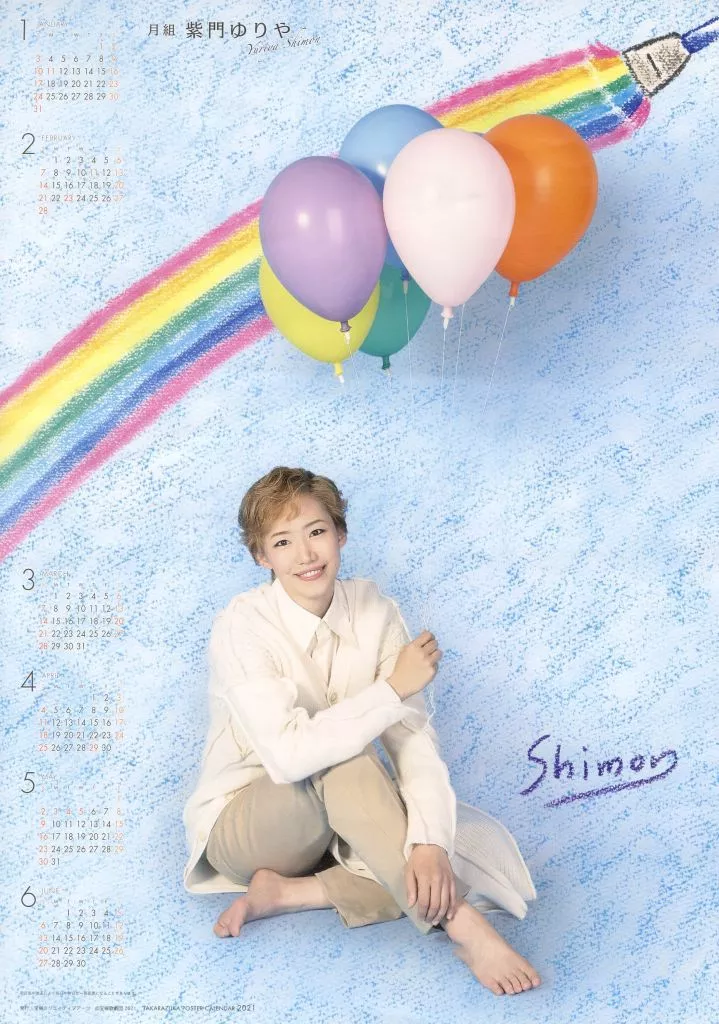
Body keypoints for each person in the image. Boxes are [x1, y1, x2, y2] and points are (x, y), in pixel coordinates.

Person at [182, 466, 541, 997]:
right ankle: (464, 927)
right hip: (246, 826)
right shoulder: (242, 625)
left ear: (341, 534)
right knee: (346, 761)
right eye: (282, 542)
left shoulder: (377, 610)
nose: (305, 554)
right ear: (262, 557)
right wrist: (392, 689)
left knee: (447, 858)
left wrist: (428, 843)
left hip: (340, 820)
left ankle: (290, 893)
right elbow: (288, 756)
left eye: (316, 531)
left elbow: (412, 738)